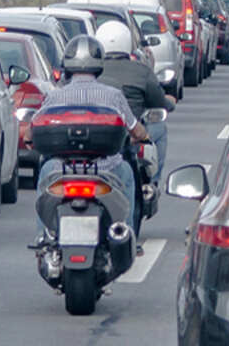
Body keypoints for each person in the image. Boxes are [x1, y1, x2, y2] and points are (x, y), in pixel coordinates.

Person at [28, 35, 147, 238]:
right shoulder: (113, 95)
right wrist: (143, 135)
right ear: (99, 64)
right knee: (127, 174)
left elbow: (32, 131)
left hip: (60, 169)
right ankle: (126, 235)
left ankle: (43, 236)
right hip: (108, 169)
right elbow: (136, 130)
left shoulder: (55, 95)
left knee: (44, 178)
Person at [93, 21, 175, 183]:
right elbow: (158, 101)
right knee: (159, 129)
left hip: (92, 137)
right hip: (128, 135)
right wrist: (169, 102)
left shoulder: (90, 71)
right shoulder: (141, 71)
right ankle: (151, 184)